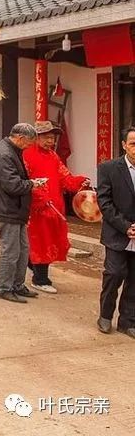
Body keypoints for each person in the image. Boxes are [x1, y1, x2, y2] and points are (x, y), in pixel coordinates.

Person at [23, 121, 88, 294]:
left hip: (55, 208)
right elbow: (24, 182)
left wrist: (80, 181)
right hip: (37, 208)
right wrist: (38, 198)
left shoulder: (53, 156)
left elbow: (65, 178)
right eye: (46, 137)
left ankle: (32, 266)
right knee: (41, 241)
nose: (50, 141)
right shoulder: (27, 155)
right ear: (35, 137)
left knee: (49, 241)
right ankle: (40, 279)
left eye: (52, 137)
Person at [0, 123, 43, 303]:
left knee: (22, 249)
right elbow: (11, 184)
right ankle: (4, 287)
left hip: (15, 208)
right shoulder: (5, 153)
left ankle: (17, 284)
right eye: (28, 143)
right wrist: (32, 184)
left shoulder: (12, 150)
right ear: (20, 138)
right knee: (10, 251)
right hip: (7, 208)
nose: (29, 147)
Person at [96, 127, 135, 338]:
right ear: (123, 145)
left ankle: (128, 321)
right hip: (117, 233)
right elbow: (104, 201)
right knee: (114, 274)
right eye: (133, 144)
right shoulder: (108, 168)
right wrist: (125, 226)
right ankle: (105, 315)